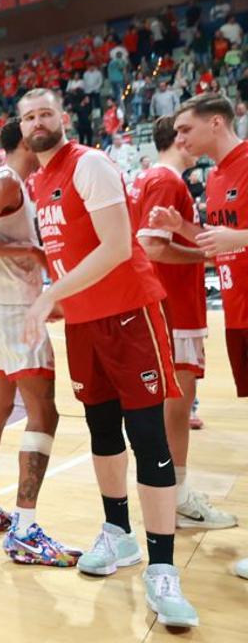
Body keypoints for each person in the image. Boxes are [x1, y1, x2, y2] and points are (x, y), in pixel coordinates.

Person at [18, 87, 197, 627]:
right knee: (101, 430)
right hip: (84, 324)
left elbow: (118, 246)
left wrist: (50, 294)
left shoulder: (88, 164)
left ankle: (163, 569)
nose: (37, 122)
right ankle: (118, 534)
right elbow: (72, 252)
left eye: (45, 113)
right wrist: (62, 299)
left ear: (63, 118)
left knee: (147, 437)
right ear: (22, 129)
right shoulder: (39, 180)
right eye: (28, 117)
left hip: (129, 316)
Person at [0, 121, 79, 565]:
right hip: (9, 309)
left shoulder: (13, 183)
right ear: (25, 141)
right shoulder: (6, 181)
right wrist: (29, 252)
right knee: (44, 412)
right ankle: (24, 530)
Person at [152, 94, 248, 579]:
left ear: (216, 123)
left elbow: (233, 239)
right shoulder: (212, 178)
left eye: (186, 129)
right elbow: (216, 241)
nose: (180, 138)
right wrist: (184, 227)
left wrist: (239, 239)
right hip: (238, 314)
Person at [130, 115, 236, 531]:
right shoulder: (167, 181)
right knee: (178, 402)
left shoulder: (147, 178)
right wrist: (206, 255)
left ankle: (171, 493)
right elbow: (152, 247)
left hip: (164, 305)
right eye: (188, 131)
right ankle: (176, 497)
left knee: (172, 402)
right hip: (172, 306)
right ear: (178, 138)